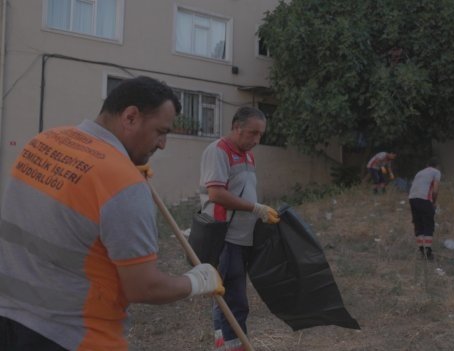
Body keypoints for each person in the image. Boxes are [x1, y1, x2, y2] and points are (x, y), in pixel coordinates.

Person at [0, 76, 224, 351]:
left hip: (10, 320)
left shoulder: (42, 142)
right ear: (130, 117)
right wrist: (196, 281)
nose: (163, 143)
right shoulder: (122, 182)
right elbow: (144, 287)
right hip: (75, 337)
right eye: (160, 132)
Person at [198, 106, 280, 351]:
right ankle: (234, 346)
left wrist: (261, 215)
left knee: (229, 297)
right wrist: (256, 209)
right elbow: (217, 193)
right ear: (236, 127)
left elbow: (244, 190)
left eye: (260, 135)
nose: (256, 140)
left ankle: (226, 344)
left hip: (243, 238)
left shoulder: (248, 155)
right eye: (252, 133)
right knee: (233, 300)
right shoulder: (219, 151)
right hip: (225, 236)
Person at [408, 158, 441, 261]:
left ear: (427, 165)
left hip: (412, 198)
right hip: (424, 199)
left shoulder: (420, 172)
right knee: (428, 224)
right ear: (436, 166)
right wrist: (434, 202)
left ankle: (422, 250)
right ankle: (428, 252)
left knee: (418, 224)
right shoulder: (436, 172)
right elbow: (435, 190)